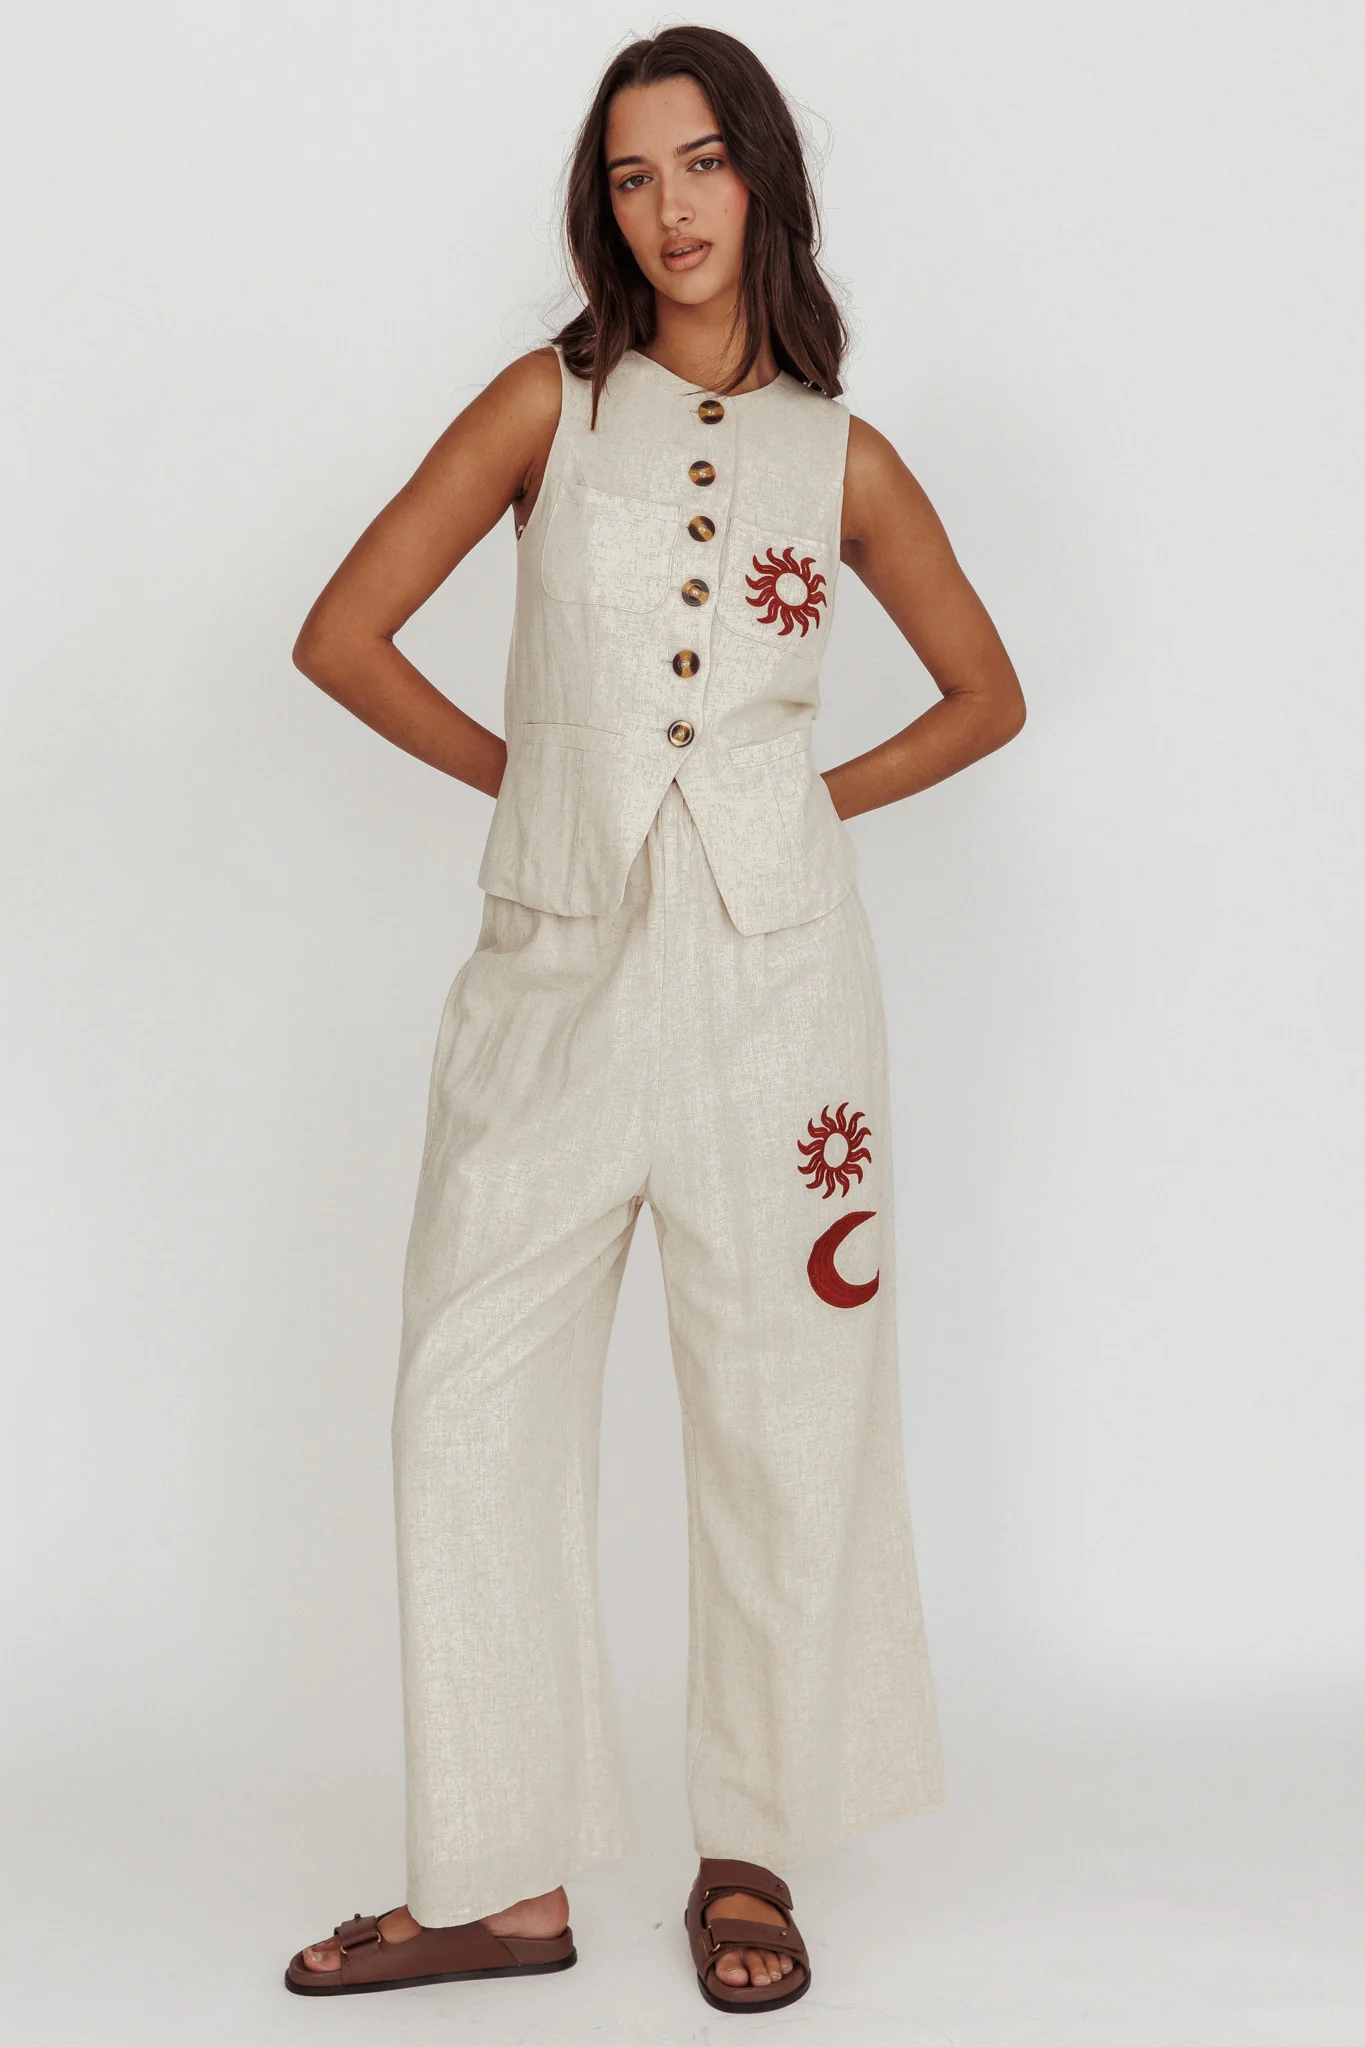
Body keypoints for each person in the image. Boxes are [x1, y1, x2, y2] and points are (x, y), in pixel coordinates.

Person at [283, 24, 1024, 2016]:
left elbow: (985, 694)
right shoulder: (549, 407)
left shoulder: (843, 456)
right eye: (631, 176)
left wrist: (805, 802)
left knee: (788, 1416)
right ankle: (500, 1879)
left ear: (762, 176)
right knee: (463, 1400)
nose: (670, 207)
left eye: (700, 163)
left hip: (781, 995)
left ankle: (750, 1849)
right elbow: (343, 633)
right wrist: (529, 782)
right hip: (552, 978)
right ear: (599, 208)